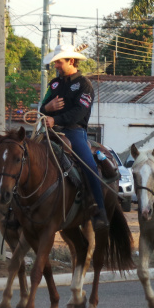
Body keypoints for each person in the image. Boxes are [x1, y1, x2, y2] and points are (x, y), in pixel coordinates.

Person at [39, 44, 108, 232]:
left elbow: (80, 112)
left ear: (71, 61)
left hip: (74, 131)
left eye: (59, 62)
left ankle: (99, 210)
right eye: (55, 63)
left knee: (90, 166)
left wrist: (55, 118)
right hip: (49, 131)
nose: (56, 66)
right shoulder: (54, 84)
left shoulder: (85, 85)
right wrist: (48, 109)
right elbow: (41, 107)